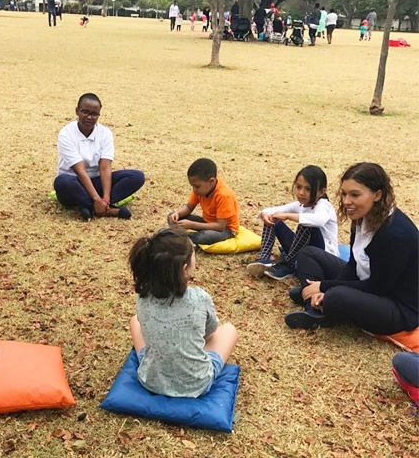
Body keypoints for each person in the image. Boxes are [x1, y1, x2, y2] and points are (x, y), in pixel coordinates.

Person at [285, 163, 418, 333]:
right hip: (366, 282)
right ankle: (314, 305)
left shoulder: (395, 234)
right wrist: (326, 287)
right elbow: (354, 264)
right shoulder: (363, 217)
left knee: (337, 296)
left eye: (355, 195)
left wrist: (326, 287)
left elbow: (378, 287)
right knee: (308, 254)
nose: (346, 201)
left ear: (377, 195)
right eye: (344, 194)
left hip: (396, 306)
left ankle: (323, 303)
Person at [128, 228, 238, 398]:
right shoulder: (200, 298)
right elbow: (210, 332)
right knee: (229, 330)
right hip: (197, 384)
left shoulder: (143, 297)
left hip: (151, 380)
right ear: (185, 268)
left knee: (135, 320)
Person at [53, 93, 145, 221]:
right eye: (85, 112)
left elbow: (105, 168)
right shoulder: (66, 134)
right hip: (74, 184)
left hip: (97, 182)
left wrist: (105, 198)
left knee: (136, 176)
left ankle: (92, 207)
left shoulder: (105, 133)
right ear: (77, 111)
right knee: (62, 182)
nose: (89, 117)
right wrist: (96, 199)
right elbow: (80, 172)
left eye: (94, 114)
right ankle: (104, 209)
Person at [247, 165, 338, 281]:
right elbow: (274, 210)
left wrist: (288, 216)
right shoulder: (301, 204)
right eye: (298, 187)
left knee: (307, 225)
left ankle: (289, 265)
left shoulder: (324, 206)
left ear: (321, 192)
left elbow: (318, 220)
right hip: (302, 252)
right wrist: (265, 214)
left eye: (308, 189)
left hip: (322, 256)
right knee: (273, 218)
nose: (301, 192)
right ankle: (264, 259)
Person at [167, 158, 239, 246]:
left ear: (211, 181)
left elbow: (220, 226)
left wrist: (192, 225)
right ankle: (178, 236)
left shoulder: (224, 195)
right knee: (171, 216)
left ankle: (179, 238)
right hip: (207, 222)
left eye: (197, 186)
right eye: (192, 186)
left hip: (225, 229)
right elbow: (189, 207)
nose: (194, 189)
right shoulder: (200, 190)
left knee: (204, 237)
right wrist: (178, 213)